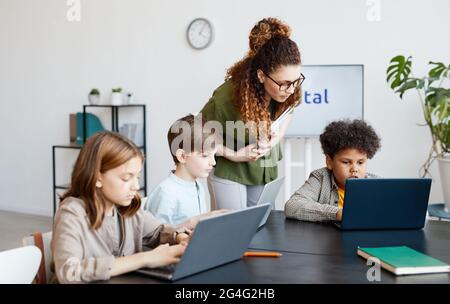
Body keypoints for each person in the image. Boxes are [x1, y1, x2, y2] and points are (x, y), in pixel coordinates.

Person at [51, 131, 191, 283]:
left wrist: (180, 237)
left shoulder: (128, 208)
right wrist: (145, 258)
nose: (136, 186)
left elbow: (158, 231)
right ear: (97, 178)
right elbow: (69, 272)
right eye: (126, 178)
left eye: (137, 177)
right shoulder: (72, 212)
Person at [200, 17, 304, 210]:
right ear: (261, 76)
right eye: (283, 84)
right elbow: (198, 134)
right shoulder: (226, 97)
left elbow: (289, 111)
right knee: (234, 228)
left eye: (296, 81)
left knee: (263, 226)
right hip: (229, 169)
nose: (291, 89)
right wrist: (233, 155)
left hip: (264, 167)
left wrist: (276, 137)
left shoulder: (292, 86)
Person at [284, 119, 381, 223]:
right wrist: (337, 213)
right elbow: (292, 205)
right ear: (329, 161)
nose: (354, 169)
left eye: (360, 163)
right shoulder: (320, 178)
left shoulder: (376, 184)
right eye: (346, 162)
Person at [144, 114, 227, 225]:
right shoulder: (165, 194)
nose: (213, 162)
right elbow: (155, 236)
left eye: (214, 155)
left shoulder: (198, 186)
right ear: (182, 156)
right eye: (205, 155)